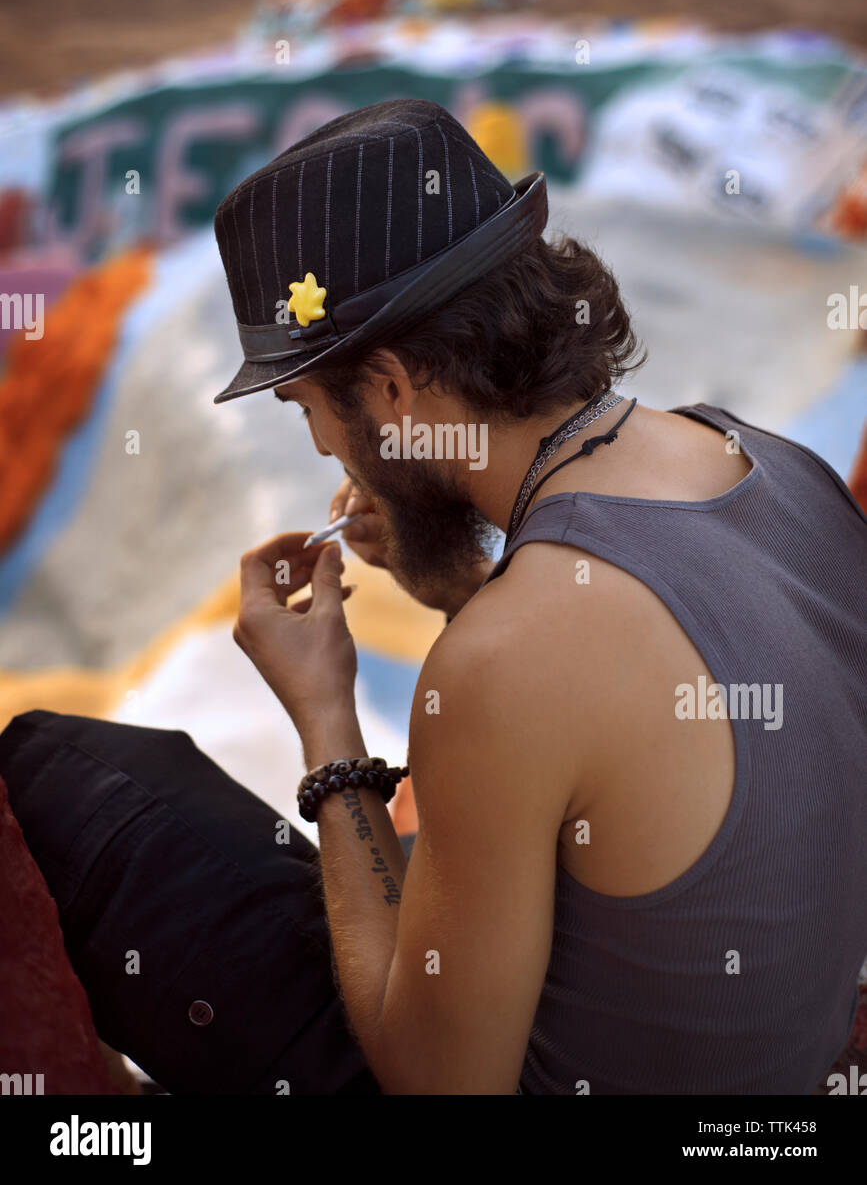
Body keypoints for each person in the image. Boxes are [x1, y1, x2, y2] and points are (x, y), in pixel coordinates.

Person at [2, 98, 866, 1095]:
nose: (324, 446)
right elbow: (621, 725)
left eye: (310, 406)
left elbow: (435, 1084)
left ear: (392, 390)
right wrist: (456, 584)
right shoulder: (773, 462)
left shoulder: (504, 662)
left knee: (66, 777)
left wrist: (327, 718)